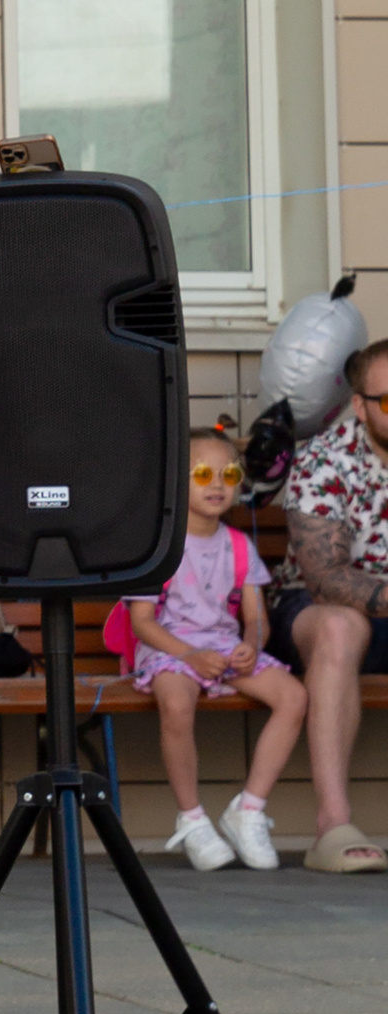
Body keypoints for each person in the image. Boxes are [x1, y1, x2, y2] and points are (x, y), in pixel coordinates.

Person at [119, 429, 304, 871]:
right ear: (176, 482)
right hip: (170, 647)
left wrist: (250, 644)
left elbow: (256, 618)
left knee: (294, 696)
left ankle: (250, 809)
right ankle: (193, 819)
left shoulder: (239, 546)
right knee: (177, 704)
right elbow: (142, 623)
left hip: (223, 646)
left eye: (229, 474)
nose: (217, 484)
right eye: (202, 473)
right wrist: (188, 656)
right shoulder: (158, 549)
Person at [272, 339, 388, 872]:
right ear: (360, 405)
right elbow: (325, 578)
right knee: (343, 627)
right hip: (315, 616)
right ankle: (333, 825)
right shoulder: (325, 458)